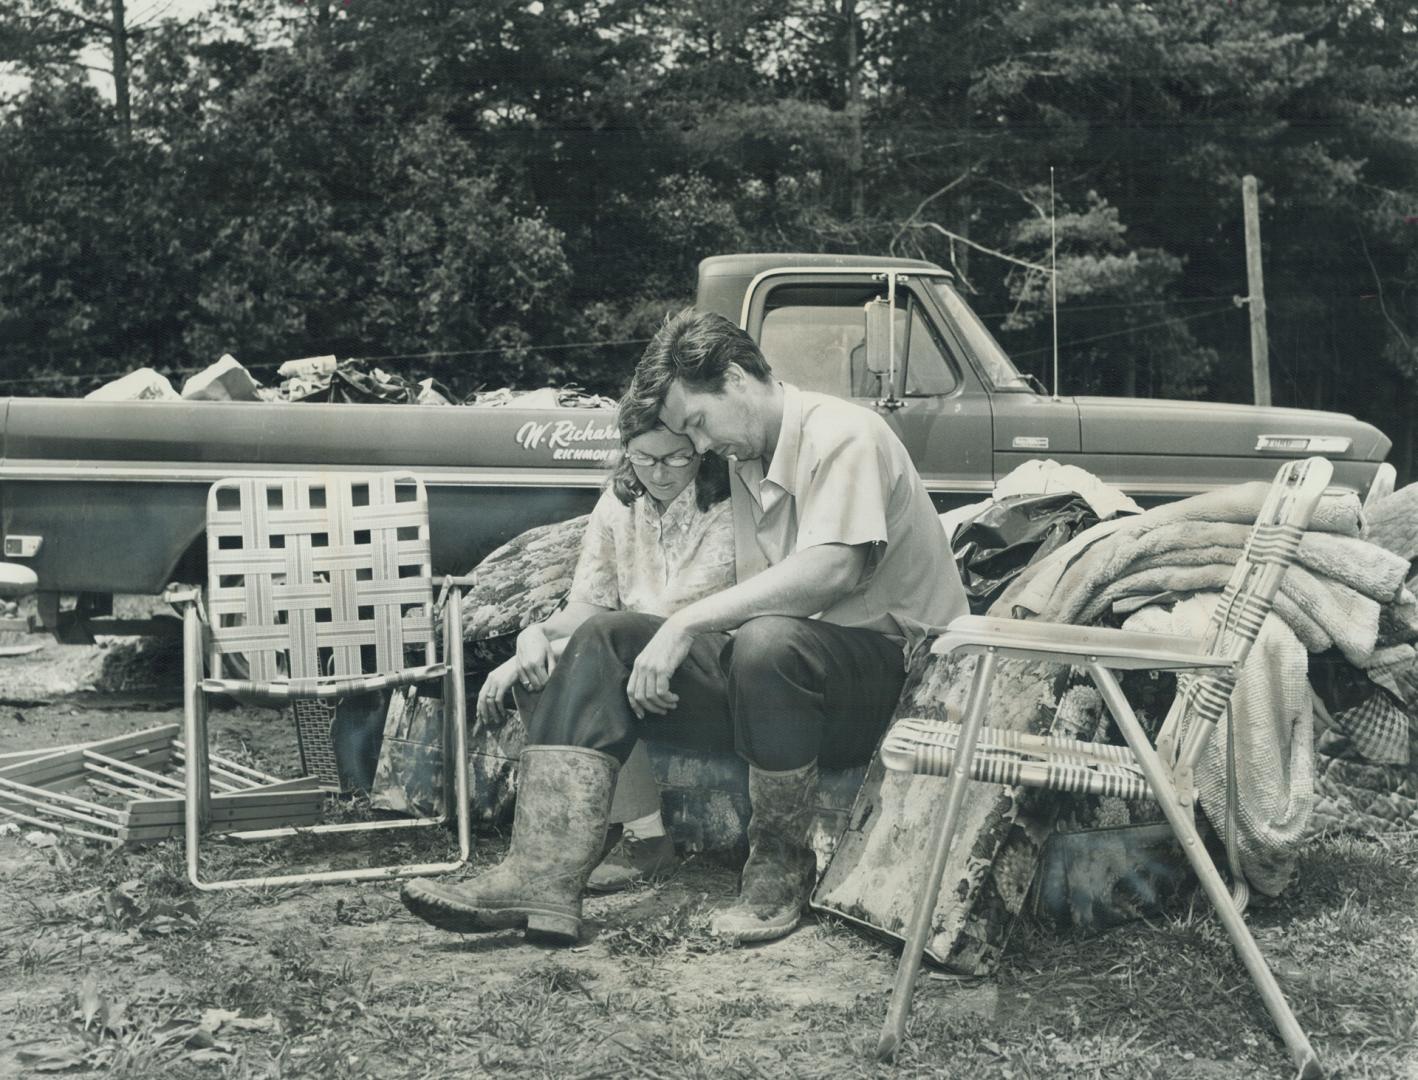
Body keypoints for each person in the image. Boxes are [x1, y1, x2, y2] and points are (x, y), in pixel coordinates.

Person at [402, 308, 968, 945]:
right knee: (607, 639)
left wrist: (685, 628)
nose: (697, 448)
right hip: (783, 690)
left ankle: (778, 871)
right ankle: (540, 874)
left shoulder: (845, 435)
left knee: (766, 641)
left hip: (901, 683)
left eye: (697, 423)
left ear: (735, 377)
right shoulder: (747, 459)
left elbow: (832, 571)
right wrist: (635, 637)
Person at [476, 388, 735, 891]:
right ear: (625, 451)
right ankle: (632, 835)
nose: (660, 473)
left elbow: (671, 615)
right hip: (628, 655)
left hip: (711, 665)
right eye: (644, 458)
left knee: (606, 642)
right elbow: (588, 606)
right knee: (539, 671)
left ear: (701, 450)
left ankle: (561, 856)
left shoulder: (729, 503)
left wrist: (568, 644)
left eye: (677, 457)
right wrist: (534, 637)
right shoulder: (618, 504)